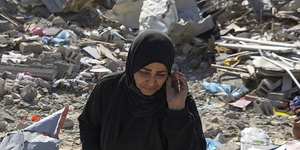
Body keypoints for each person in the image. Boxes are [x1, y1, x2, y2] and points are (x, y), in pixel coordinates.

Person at [78, 30, 207, 150]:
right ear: (132, 66)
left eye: (160, 74)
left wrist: (177, 112)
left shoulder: (179, 99)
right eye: (144, 72)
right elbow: (89, 127)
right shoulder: (109, 89)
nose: (151, 82)